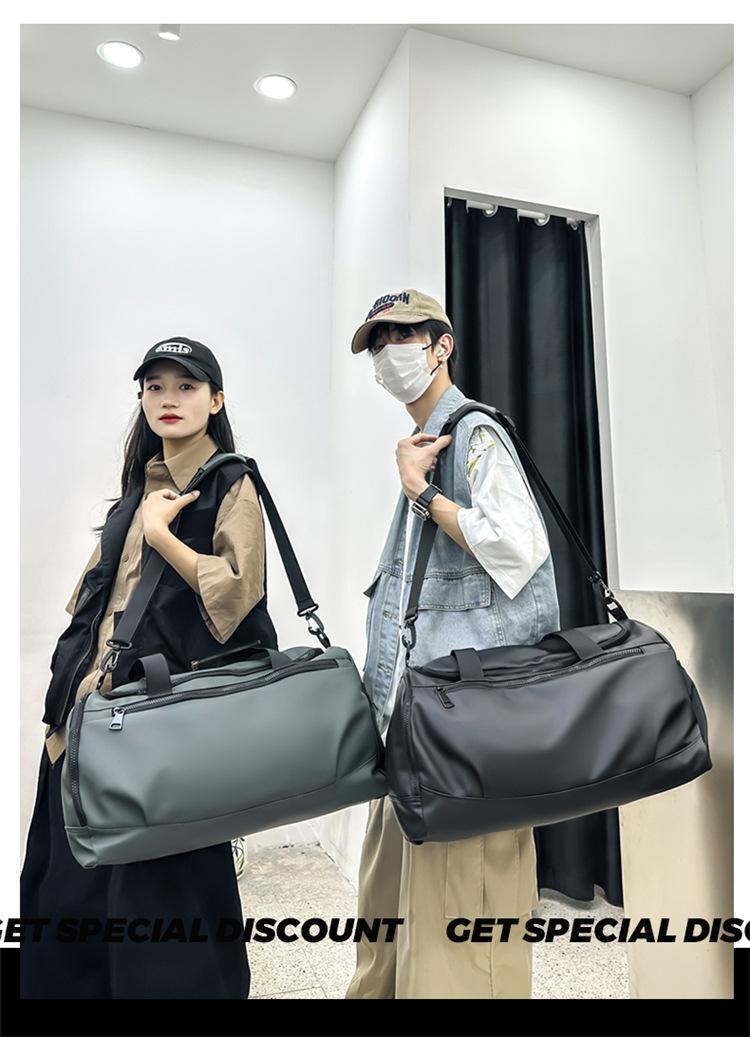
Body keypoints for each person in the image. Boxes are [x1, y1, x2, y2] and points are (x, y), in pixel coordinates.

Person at [20, 336, 277, 999]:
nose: (169, 398)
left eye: (186, 386)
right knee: (70, 888)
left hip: (162, 725)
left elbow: (237, 592)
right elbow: (94, 598)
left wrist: (163, 535)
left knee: (164, 898)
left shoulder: (230, 482)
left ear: (216, 401)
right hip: (88, 712)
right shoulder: (140, 486)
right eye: (155, 386)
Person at [345, 290, 561, 999]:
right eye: (378, 342)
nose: (389, 352)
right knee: (389, 928)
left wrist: (424, 494)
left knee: (463, 936)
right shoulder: (428, 441)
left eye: (403, 335)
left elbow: (518, 548)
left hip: (467, 738)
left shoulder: (473, 434)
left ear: (442, 346)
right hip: (417, 728)